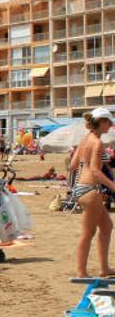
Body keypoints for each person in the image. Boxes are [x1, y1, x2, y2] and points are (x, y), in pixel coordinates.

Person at [69, 108, 115, 278]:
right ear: (102, 122)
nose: (111, 125)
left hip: (82, 188)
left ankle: (104, 268)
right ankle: (81, 272)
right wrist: (112, 185)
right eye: (109, 122)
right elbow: (95, 170)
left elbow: (72, 166)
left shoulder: (84, 140)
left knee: (107, 227)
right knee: (88, 233)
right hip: (90, 189)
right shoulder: (96, 142)